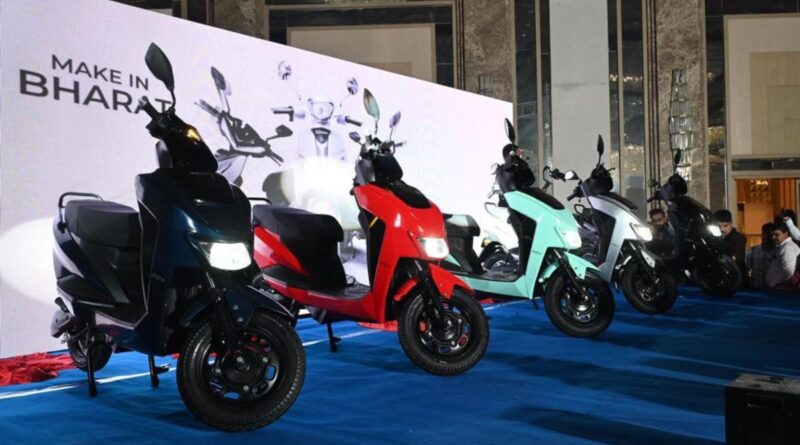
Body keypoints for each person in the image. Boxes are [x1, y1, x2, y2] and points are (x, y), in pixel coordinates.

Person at [766, 222, 800, 289]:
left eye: (776, 234)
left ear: (786, 234)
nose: (773, 237)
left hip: (783, 289)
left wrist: (775, 283)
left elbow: (789, 271)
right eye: (772, 235)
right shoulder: (782, 246)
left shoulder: (787, 247)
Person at [714, 209, 747, 275]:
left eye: (725, 225)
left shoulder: (739, 238)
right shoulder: (713, 237)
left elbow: (735, 259)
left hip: (735, 276)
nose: (722, 229)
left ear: (731, 224)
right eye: (718, 226)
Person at [745, 223, 776, 290]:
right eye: (764, 234)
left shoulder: (778, 252)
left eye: (769, 235)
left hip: (774, 290)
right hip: (756, 289)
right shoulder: (752, 251)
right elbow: (746, 269)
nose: (766, 237)